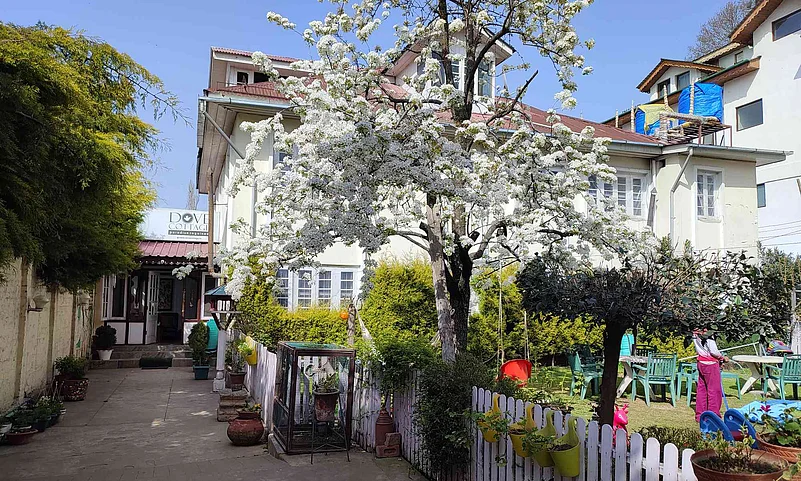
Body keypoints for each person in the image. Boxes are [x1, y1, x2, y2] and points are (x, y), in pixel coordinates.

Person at [693, 329, 729, 422]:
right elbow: (713, 351)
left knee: (702, 390)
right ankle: (713, 416)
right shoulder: (707, 333)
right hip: (710, 364)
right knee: (714, 391)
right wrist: (722, 358)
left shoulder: (695, 332)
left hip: (701, 363)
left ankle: (700, 415)